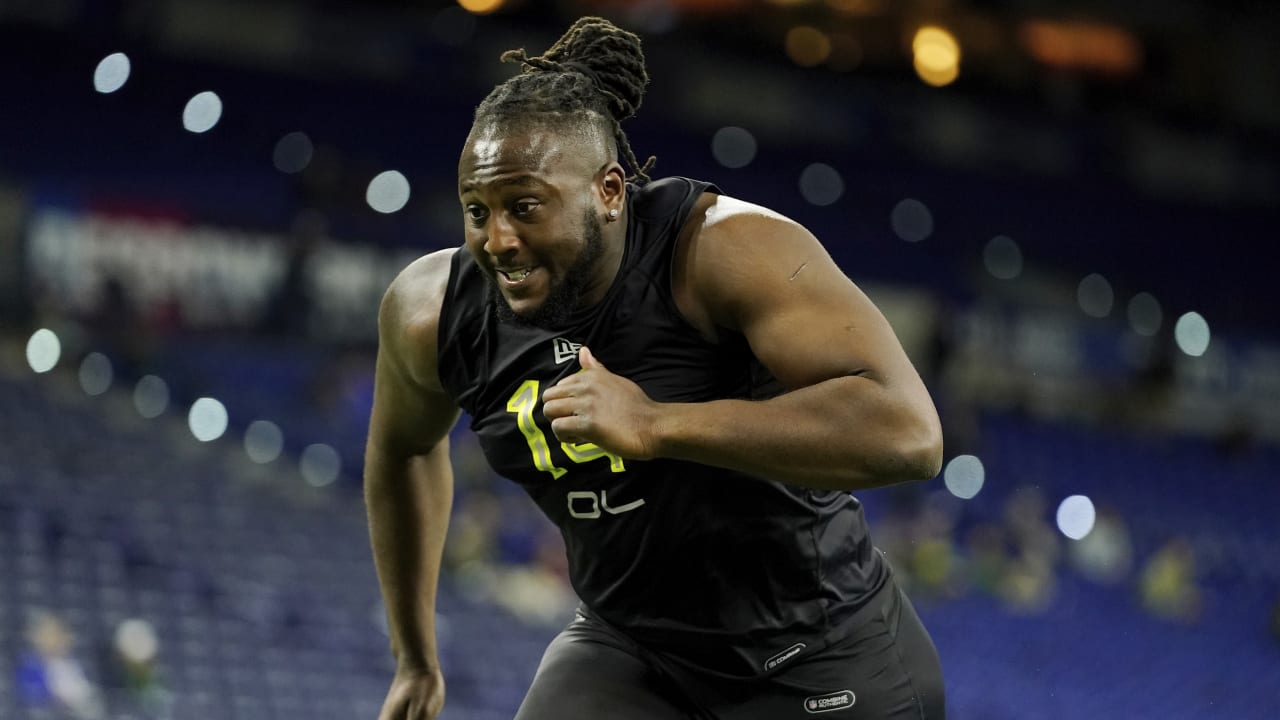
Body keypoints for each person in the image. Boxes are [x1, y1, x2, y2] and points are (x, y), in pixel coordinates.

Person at [364, 16, 945, 720]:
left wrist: (657, 422)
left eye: (524, 207)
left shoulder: (725, 253)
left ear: (609, 192)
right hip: (634, 650)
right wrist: (415, 658)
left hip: (820, 649)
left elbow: (908, 433)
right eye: (475, 211)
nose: (498, 241)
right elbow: (403, 451)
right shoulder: (434, 315)